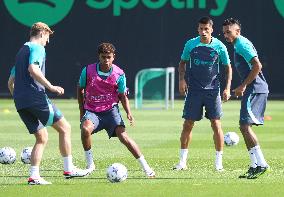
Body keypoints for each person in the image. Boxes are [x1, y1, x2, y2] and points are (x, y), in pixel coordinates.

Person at [11, 22, 89, 185]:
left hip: (21, 102)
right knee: (65, 128)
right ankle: (69, 169)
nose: (48, 41)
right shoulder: (37, 48)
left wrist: (19, 97)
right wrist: (51, 86)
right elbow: (33, 69)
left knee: (42, 137)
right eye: (48, 36)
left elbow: (10, 82)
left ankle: (34, 176)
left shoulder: (21, 51)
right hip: (35, 97)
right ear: (41, 33)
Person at [77, 42, 155, 177]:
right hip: (93, 111)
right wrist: (82, 111)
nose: (106, 60)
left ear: (114, 57)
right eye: (103, 57)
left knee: (123, 136)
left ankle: (146, 167)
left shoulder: (119, 74)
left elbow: (122, 95)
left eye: (109, 57)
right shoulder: (88, 70)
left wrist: (129, 113)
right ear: (99, 57)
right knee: (85, 130)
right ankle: (90, 165)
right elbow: (80, 89)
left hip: (111, 111)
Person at [173, 16, 232, 171]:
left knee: (216, 124)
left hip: (213, 91)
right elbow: (182, 63)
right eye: (201, 29)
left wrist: (227, 88)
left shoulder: (220, 46)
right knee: (188, 124)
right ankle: (182, 162)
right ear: (198, 29)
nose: (203, 32)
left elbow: (228, 68)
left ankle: (218, 163)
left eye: (207, 29)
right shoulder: (191, 44)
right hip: (194, 91)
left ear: (212, 30)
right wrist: (181, 80)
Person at [222, 18, 270, 179]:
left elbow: (257, 65)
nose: (226, 35)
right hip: (252, 89)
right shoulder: (237, 45)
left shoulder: (241, 44)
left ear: (238, 31)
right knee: (244, 127)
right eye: (224, 33)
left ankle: (262, 164)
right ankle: (254, 165)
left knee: (245, 126)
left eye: (229, 32)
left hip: (255, 89)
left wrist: (242, 86)